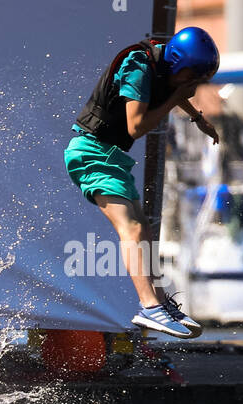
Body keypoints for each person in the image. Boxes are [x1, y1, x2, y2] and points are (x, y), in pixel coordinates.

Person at [66, 26, 222, 338]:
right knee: (133, 228)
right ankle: (149, 307)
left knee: (145, 228)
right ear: (181, 66)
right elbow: (136, 127)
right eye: (191, 81)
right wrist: (178, 96)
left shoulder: (165, 64)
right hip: (90, 155)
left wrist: (197, 117)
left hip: (111, 157)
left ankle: (161, 303)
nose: (192, 88)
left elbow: (167, 87)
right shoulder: (138, 67)